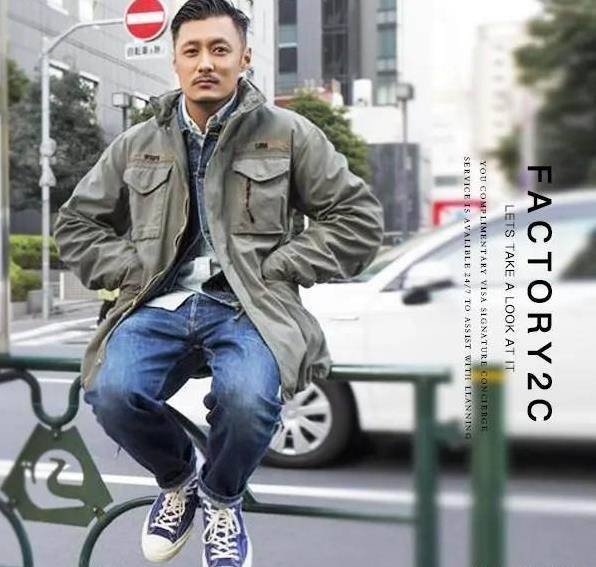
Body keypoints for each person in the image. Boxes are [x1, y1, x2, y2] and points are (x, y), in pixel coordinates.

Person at [53, 1, 384, 565]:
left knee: (249, 401)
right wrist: (130, 269)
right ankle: (179, 479)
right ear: (175, 62)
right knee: (111, 390)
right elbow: (76, 224)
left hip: (248, 306)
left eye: (219, 49)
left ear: (244, 58)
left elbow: (358, 219)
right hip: (157, 302)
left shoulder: (289, 134)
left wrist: (282, 265)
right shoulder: (138, 142)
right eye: (192, 50)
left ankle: (222, 497)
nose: (205, 62)